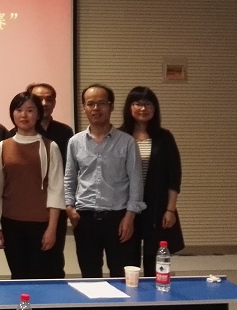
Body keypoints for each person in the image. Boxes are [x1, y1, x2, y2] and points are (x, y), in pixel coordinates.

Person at [65, 84, 145, 278]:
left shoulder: (127, 142)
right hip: (85, 218)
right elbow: (69, 178)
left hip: (118, 218)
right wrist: (69, 207)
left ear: (111, 106)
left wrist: (130, 217)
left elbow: (136, 181)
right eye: (90, 104)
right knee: (90, 276)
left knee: (122, 276)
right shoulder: (75, 142)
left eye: (101, 103)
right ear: (84, 107)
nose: (96, 108)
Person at [0, 92, 65, 279]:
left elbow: (56, 190)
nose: (24, 115)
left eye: (30, 110)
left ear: (38, 115)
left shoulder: (50, 147)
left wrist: (52, 229)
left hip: (41, 224)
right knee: (18, 275)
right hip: (11, 224)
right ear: (12, 114)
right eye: (19, 110)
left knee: (41, 277)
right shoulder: (2, 147)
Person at [120, 86, 184, 277]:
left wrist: (170, 209)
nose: (143, 108)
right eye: (138, 103)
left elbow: (174, 176)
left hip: (156, 207)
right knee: (127, 260)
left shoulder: (164, 137)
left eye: (148, 104)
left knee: (155, 261)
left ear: (155, 109)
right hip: (126, 207)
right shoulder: (119, 136)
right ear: (129, 107)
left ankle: (155, 295)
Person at [24, 82, 74, 273]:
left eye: (49, 99)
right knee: (25, 264)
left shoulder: (65, 132)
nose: (44, 103)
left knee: (53, 262)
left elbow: (69, 171)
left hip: (55, 208)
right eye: (39, 99)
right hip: (25, 209)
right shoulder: (15, 134)